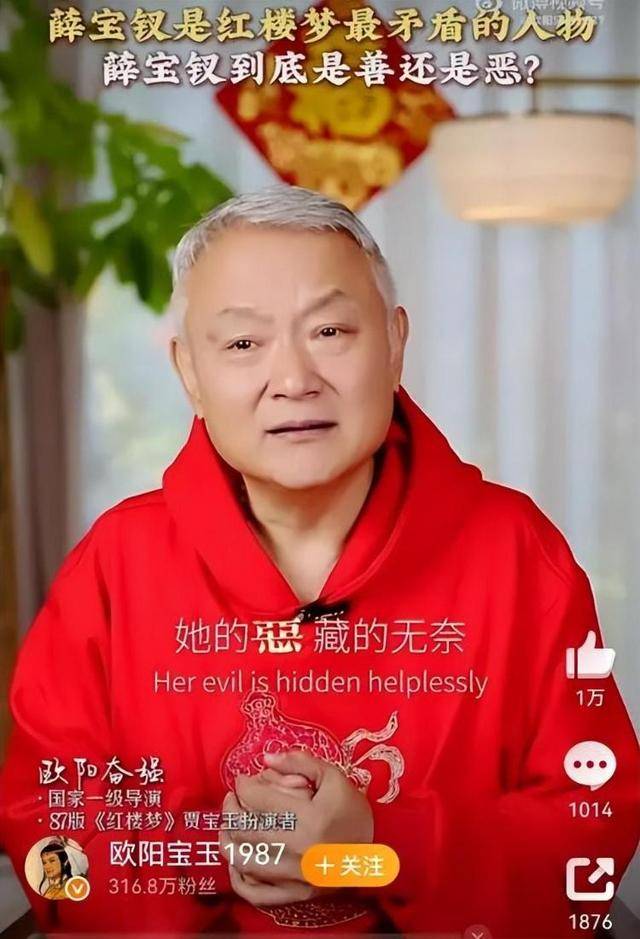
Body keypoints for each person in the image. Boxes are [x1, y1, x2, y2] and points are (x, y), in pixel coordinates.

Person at [1, 184, 639, 937]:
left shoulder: (516, 550)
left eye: (330, 330)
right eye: (243, 344)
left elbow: (592, 822)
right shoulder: (117, 563)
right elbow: (46, 824)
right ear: (189, 373)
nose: (294, 379)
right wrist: (214, 853)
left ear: (395, 343)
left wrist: (380, 845)